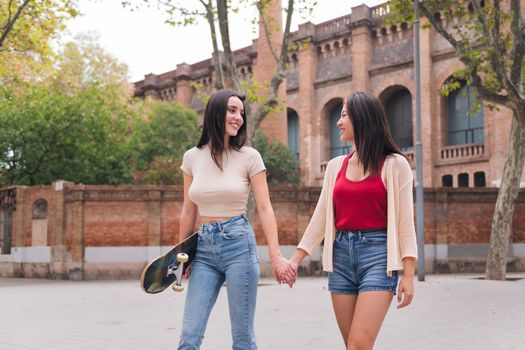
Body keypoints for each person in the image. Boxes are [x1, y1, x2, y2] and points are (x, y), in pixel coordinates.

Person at [288, 91, 418, 350]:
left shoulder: (395, 165)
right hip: (341, 258)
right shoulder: (336, 166)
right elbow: (321, 216)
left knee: (358, 343)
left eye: (345, 115)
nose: (339, 121)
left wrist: (409, 274)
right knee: (353, 346)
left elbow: (405, 223)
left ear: (363, 119)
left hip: (378, 257)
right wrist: (295, 260)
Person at [177, 89, 296, 350]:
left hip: (238, 246)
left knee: (242, 339)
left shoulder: (250, 157)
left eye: (241, 112)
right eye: (232, 110)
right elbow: (188, 210)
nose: (238, 117)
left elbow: (265, 208)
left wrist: (276, 257)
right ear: (216, 112)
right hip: (204, 250)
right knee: (188, 337)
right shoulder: (192, 157)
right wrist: (182, 255)